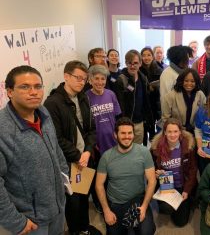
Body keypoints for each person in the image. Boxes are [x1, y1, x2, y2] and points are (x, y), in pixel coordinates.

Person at [0, 66, 68, 234]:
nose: (33, 92)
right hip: (31, 221)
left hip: (58, 208)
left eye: (38, 86)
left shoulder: (43, 112)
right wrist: (16, 222)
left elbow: (56, 149)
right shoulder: (3, 129)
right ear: (9, 91)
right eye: (25, 87)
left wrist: (64, 179)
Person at [44, 61, 100, 235]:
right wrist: (78, 155)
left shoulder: (83, 96)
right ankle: (76, 231)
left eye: (84, 79)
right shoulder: (52, 103)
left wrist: (88, 150)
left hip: (85, 156)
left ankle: (84, 228)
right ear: (66, 76)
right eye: (78, 78)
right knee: (73, 201)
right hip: (69, 162)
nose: (82, 82)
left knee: (83, 195)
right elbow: (56, 138)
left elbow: (91, 128)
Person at [95, 117, 156, 235]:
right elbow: (99, 184)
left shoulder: (144, 153)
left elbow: (152, 181)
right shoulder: (106, 157)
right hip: (116, 202)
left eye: (130, 133)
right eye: (123, 133)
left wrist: (144, 206)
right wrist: (106, 210)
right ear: (115, 135)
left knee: (146, 232)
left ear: (134, 134)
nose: (127, 137)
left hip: (138, 199)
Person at [151, 118, 197, 227]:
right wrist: (156, 173)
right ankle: (172, 205)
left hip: (182, 185)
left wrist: (186, 190)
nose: (173, 135)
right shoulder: (156, 149)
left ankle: (186, 201)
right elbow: (151, 169)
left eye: (175, 131)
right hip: (166, 186)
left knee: (181, 222)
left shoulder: (188, 147)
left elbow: (193, 170)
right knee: (165, 209)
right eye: (169, 132)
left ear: (180, 132)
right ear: (164, 133)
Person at [115, 49, 154, 144]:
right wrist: (123, 123)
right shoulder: (121, 80)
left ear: (140, 63)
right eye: (130, 63)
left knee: (137, 149)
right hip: (126, 123)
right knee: (125, 150)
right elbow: (119, 105)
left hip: (140, 122)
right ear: (126, 63)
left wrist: (148, 120)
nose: (132, 66)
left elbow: (146, 102)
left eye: (135, 63)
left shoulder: (143, 78)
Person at [86, 65, 121, 154]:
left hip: (113, 139)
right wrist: (91, 143)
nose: (100, 82)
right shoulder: (86, 97)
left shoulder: (111, 94)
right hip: (97, 142)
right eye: (96, 78)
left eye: (103, 79)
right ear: (90, 79)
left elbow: (118, 118)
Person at [161, 68, 206, 135]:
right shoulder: (170, 97)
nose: (189, 84)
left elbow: (204, 114)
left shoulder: (200, 95)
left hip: (196, 133)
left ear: (196, 82)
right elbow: (165, 119)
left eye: (192, 81)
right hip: (176, 133)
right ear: (181, 81)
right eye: (186, 81)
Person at [140, 47, 163, 143]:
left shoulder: (159, 69)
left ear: (152, 56)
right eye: (144, 55)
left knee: (156, 131)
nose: (146, 57)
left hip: (155, 103)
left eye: (148, 55)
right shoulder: (138, 70)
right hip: (143, 103)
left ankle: (154, 148)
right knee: (145, 129)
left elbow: (163, 87)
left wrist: (155, 87)